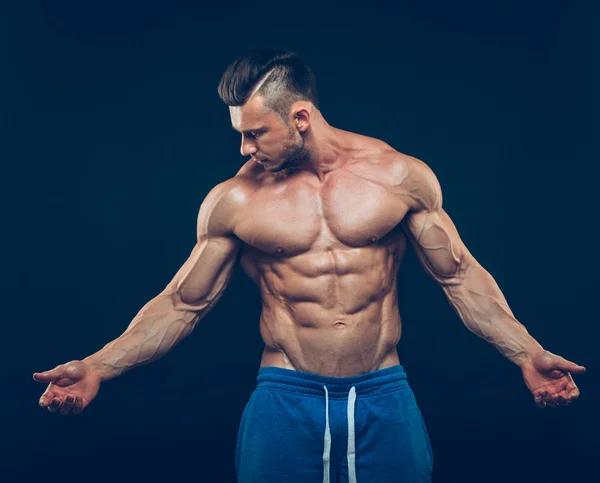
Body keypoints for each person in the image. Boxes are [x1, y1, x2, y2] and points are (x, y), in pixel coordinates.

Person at [34, 48, 586, 483]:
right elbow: (184, 303)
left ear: (300, 117)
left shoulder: (398, 176)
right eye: (240, 135)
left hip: (383, 394)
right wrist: (100, 367)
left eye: (256, 133)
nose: (245, 149)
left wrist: (526, 353)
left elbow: (460, 276)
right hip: (284, 399)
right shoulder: (236, 200)